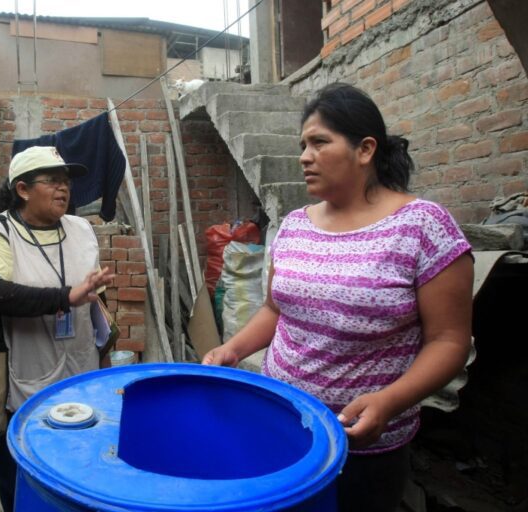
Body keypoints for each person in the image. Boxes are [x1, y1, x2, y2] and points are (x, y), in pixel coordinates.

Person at [203, 83, 474, 511]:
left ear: (365, 149)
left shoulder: (424, 227)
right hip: (283, 422)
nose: (304, 156)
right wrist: (232, 349)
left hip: (363, 445)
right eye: (302, 145)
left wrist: (390, 401)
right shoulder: (294, 225)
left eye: (319, 143)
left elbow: (450, 341)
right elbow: (277, 307)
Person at [0, 145, 114, 511]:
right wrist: (65, 297)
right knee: (24, 474)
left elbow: (93, 298)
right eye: (53, 181)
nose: (64, 189)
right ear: (23, 189)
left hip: (80, 371)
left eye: (67, 182)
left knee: (79, 467)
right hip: (20, 377)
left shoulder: (81, 230)